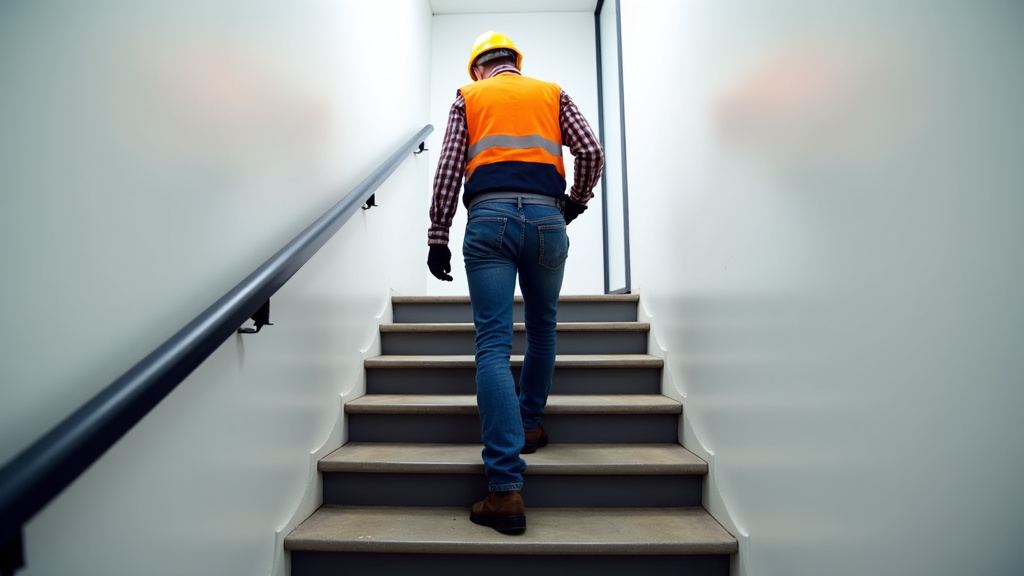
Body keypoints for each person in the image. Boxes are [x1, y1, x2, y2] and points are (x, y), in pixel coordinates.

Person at [426, 31, 604, 535]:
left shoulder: (469, 97)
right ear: (515, 63)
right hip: (548, 220)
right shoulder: (551, 92)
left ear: (478, 68)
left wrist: (438, 234)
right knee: (543, 328)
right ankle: (528, 423)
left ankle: (505, 491)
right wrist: (575, 201)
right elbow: (590, 151)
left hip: (489, 220)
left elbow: (446, 169)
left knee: (493, 345)